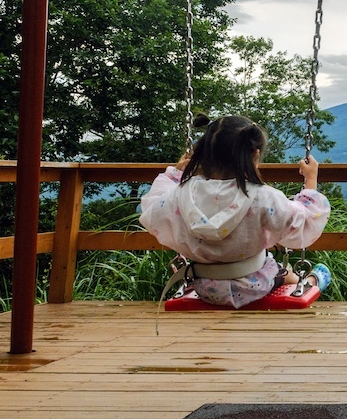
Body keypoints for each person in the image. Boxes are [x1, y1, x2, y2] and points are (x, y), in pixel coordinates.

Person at [140, 114, 331, 308]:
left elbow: (152, 210)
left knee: (278, 269)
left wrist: (176, 174)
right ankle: (312, 281)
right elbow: (304, 222)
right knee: (281, 271)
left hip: (205, 287)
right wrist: (310, 181)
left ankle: (299, 277)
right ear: (254, 155)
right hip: (255, 285)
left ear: (204, 153)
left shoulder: (181, 194)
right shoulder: (263, 197)